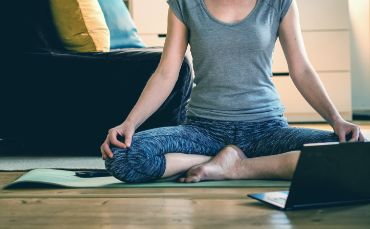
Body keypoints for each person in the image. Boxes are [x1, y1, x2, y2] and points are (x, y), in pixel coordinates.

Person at [100, 0, 366, 183]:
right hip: (203, 131)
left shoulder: (278, 3)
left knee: (356, 157)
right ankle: (219, 160)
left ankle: (238, 166)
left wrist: (336, 119)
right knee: (122, 157)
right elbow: (166, 73)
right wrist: (130, 123)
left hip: (267, 130)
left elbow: (301, 70)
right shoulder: (185, 4)